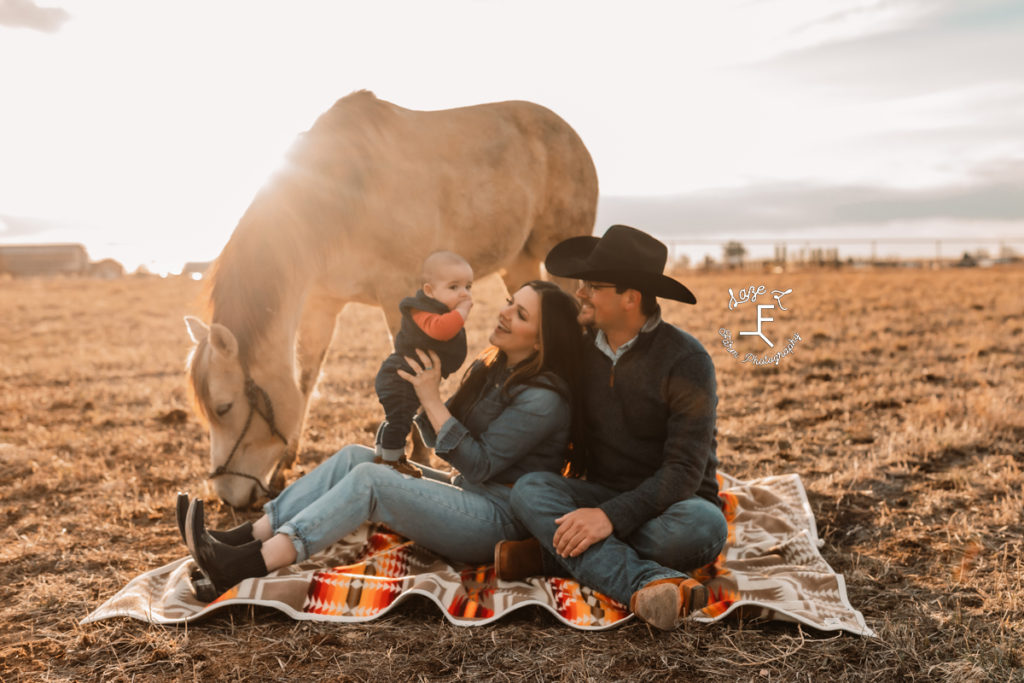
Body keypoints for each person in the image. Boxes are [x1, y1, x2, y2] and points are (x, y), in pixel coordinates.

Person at [179, 280, 586, 599]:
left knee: (372, 483)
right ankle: (242, 538)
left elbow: (477, 462)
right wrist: (409, 395)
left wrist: (431, 398)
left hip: (498, 521)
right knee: (359, 458)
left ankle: (248, 564)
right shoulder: (495, 367)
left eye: (521, 314)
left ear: (541, 339)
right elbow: (446, 433)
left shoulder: (543, 399)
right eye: (510, 302)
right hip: (470, 495)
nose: (504, 313)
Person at [495, 225, 728, 631]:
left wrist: (607, 517)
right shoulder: (580, 347)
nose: (580, 292)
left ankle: (549, 556)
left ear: (629, 298)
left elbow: (684, 473)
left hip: (672, 505)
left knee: (703, 528)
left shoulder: (687, 360)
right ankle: (643, 583)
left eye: (591, 285)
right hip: (601, 489)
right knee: (532, 488)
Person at [373, 250, 474, 477]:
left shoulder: (441, 310)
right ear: (429, 291)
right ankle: (391, 463)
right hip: (398, 377)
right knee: (399, 421)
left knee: (396, 419)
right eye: (454, 287)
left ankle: (383, 452)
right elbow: (440, 329)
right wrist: (462, 312)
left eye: (468, 287)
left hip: (407, 377)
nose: (464, 294)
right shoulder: (420, 309)